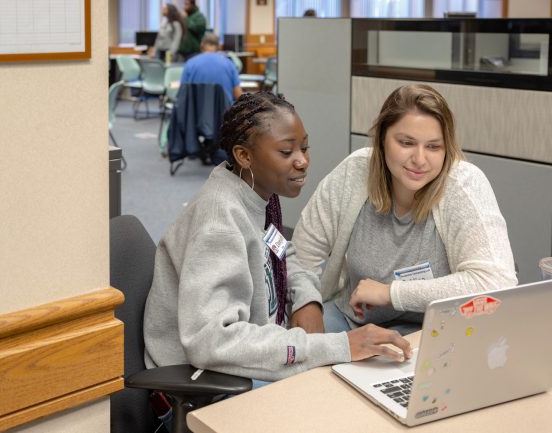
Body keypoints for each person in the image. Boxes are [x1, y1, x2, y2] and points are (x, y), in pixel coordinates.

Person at [144, 92, 413, 387]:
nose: (302, 162)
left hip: (251, 347)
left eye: (305, 148)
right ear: (244, 155)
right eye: (286, 153)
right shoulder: (221, 223)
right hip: (204, 383)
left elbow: (282, 251)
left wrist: (305, 299)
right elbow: (211, 341)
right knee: (337, 389)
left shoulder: (258, 196)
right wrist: (339, 347)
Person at [291, 84, 517, 335]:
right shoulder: (355, 172)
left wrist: (391, 293)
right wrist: (307, 303)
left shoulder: (464, 184)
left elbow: (496, 283)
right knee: (283, 367)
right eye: (407, 143)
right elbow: (302, 255)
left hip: (432, 330)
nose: (420, 159)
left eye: (433, 147)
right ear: (382, 140)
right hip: (352, 321)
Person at [180, 33, 242, 103]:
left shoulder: (189, 64)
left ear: (201, 46)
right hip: (225, 112)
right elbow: (238, 96)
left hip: (197, 112)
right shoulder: (229, 64)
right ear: (219, 47)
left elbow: (183, 96)